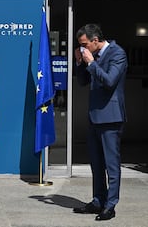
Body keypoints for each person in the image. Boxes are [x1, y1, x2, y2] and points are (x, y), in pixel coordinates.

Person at [72, 24, 127, 221]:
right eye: (80, 46)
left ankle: (110, 205)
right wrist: (80, 63)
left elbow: (110, 81)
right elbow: (82, 82)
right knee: (96, 164)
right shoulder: (90, 55)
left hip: (111, 117)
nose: (83, 48)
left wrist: (91, 63)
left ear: (95, 40)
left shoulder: (117, 53)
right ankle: (98, 201)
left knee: (112, 165)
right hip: (94, 117)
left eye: (85, 44)